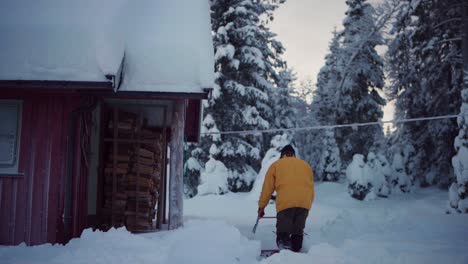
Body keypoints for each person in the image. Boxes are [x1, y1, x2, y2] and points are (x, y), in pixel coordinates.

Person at [257, 145, 315, 252]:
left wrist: (261, 207)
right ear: (294, 154)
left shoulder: (276, 165)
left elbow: (267, 189)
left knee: (283, 233)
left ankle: (285, 256)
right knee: (297, 232)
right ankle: (296, 253)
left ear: (282, 155)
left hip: (286, 204)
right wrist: (307, 205)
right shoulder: (306, 165)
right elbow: (311, 188)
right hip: (304, 203)